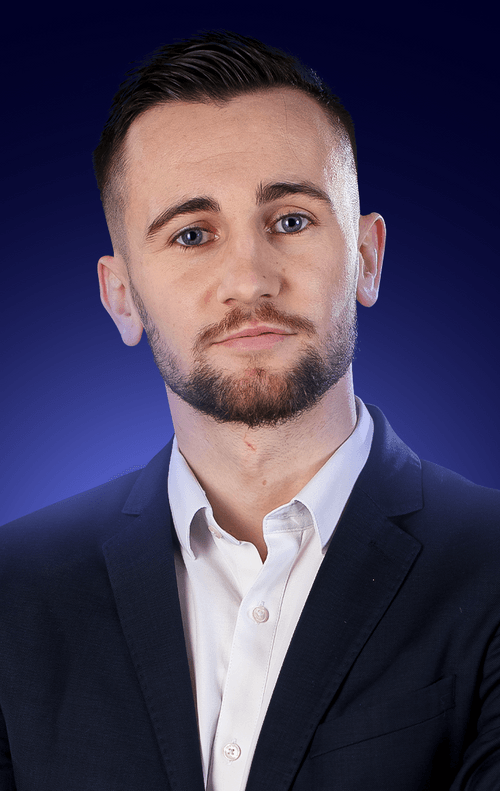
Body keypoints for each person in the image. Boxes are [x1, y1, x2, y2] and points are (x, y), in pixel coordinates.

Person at [0, 29, 499, 791]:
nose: (249, 279)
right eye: (192, 234)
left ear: (366, 257)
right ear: (122, 296)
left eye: (291, 220)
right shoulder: (14, 591)